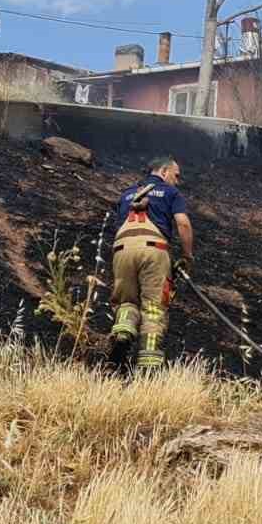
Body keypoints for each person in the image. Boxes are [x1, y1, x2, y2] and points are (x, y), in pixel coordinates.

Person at [109, 155, 193, 372]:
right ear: (163, 172)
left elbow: (118, 226)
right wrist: (187, 256)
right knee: (154, 308)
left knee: (126, 300)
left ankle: (124, 333)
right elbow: (183, 224)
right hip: (154, 249)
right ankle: (148, 367)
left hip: (121, 249)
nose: (177, 180)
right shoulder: (170, 192)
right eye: (176, 175)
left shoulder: (127, 194)